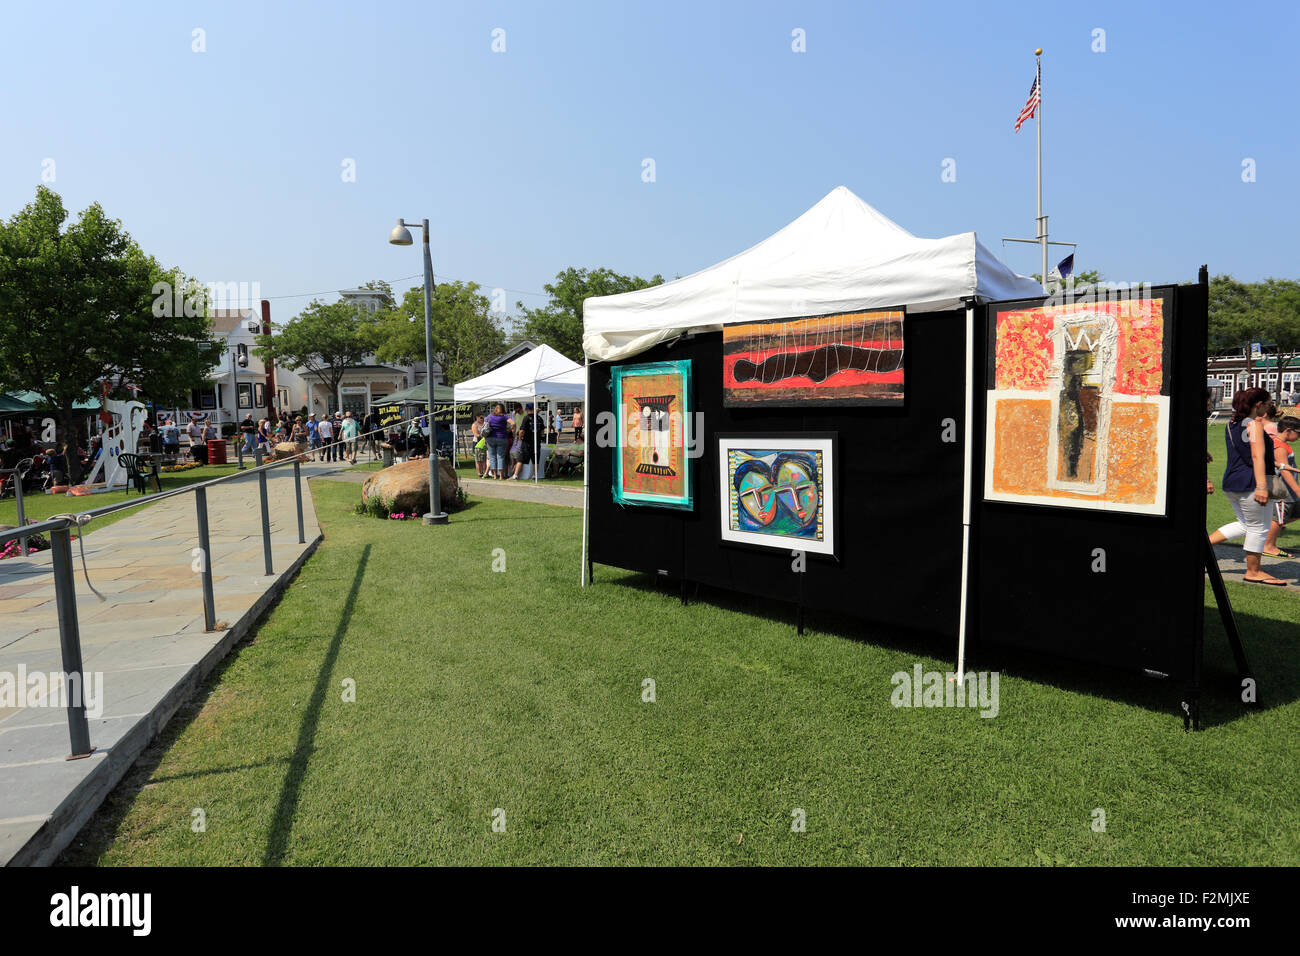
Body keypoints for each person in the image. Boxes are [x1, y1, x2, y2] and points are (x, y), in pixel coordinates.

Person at [1208, 388, 1286, 585]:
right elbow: (1256, 455)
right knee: (1258, 528)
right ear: (1258, 405)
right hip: (1251, 483)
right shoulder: (1254, 425)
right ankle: (1253, 571)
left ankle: (1201, 547)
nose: (1269, 407)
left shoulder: (1231, 424)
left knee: (1244, 524)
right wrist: (1261, 486)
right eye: (1267, 403)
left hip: (1233, 482)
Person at [484, 402, 512, 479]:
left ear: (495, 409)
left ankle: (495, 476)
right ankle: (501, 476)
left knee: (492, 457)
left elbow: (485, 425)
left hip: (490, 438)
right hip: (502, 438)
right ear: (503, 409)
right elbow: (513, 423)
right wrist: (509, 430)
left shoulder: (490, 416)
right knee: (500, 457)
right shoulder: (505, 416)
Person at [510, 407, 535, 480]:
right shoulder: (529, 417)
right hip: (521, 448)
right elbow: (521, 431)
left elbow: (520, 430)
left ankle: (513, 474)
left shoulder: (523, 416)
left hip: (512, 451)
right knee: (520, 460)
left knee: (514, 462)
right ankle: (516, 474)